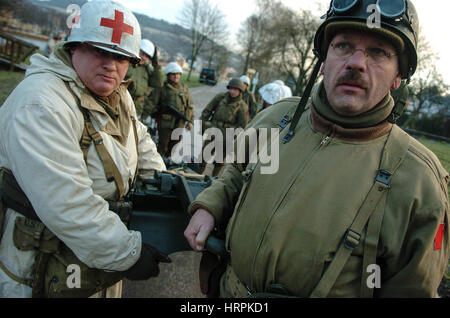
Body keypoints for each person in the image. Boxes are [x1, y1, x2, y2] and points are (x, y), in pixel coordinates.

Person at [185, 0, 449, 298]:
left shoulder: (420, 181)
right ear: (324, 60)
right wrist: (210, 206)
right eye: (343, 46)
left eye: (378, 52)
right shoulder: (277, 118)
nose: (356, 63)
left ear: (398, 76)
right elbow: (236, 172)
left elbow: (413, 289)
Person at [0, 0, 171, 298]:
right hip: (39, 266)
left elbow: (138, 137)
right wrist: (127, 253)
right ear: (73, 48)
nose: (111, 64)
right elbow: (66, 202)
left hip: (95, 255)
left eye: (121, 57)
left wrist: (161, 181)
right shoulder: (41, 102)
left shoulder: (117, 94)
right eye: (100, 51)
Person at [199, 78, 249, 177]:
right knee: (204, 157)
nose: (232, 91)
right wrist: (204, 124)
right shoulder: (220, 98)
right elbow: (207, 110)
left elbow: (242, 125)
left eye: (235, 89)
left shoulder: (243, 106)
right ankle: (196, 176)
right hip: (213, 130)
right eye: (231, 89)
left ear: (240, 91)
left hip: (227, 136)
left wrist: (234, 138)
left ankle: (213, 180)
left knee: (219, 161)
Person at [145, 61, 194, 158]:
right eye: (173, 74)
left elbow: (189, 106)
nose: (176, 76)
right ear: (168, 75)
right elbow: (151, 102)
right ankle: (158, 167)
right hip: (165, 124)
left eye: (178, 74)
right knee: (162, 147)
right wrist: (147, 115)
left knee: (174, 147)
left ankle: (168, 165)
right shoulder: (162, 88)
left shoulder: (184, 88)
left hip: (179, 123)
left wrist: (190, 121)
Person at [125, 38, 164, 119]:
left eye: (147, 56)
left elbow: (158, 83)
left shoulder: (147, 69)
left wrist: (155, 64)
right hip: (123, 102)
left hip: (138, 107)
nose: (144, 57)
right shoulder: (127, 64)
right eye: (142, 53)